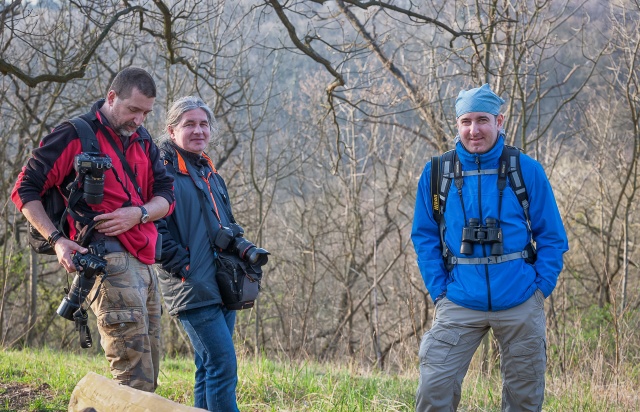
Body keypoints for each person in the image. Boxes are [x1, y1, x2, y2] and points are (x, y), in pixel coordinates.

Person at [11, 67, 175, 392]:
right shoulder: (74, 134)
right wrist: (57, 241)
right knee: (134, 381)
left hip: (144, 264)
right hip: (107, 263)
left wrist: (138, 213)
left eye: (146, 112)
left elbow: (166, 197)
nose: (139, 120)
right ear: (111, 97)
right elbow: (23, 189)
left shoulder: (142, 139)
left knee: (150, 375)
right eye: (133, 110)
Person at [411, 84, 569, 411]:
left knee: (524, 396)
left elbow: (552, 236)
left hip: (520, 299)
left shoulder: (525, 170)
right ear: (457, 124)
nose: (474, 130)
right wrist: (439, 291)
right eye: (466, 121)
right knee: (433, 387)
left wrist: (539, 289)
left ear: (499, 121)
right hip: (458, 299)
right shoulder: (437, 173)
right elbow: (424, 236)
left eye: (482, 120)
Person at [155, 96, 240, 412]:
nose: (198, 130)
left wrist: (241, 248)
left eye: (203, 123)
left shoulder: (210, 172)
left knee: (208, 367)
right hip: (191, 284)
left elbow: (226, 223)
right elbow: (153, 229)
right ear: (172, 130)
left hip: (222, 283)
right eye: (189, 124)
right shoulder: (161, 172)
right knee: (223, 365)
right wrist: (182, 265)